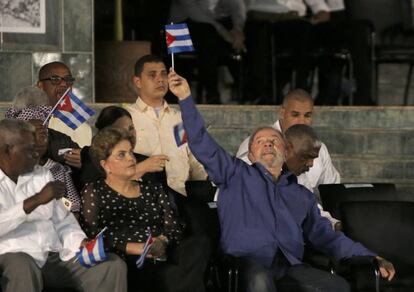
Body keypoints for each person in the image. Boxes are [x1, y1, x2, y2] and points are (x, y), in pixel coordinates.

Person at [167, 67, 395, 292]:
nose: (268, 144)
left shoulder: (301, 195)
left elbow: (327, 237)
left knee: (338, 286)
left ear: (285, 152)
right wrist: (186, 97)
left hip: (288, 266)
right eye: (260, 142)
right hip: (246, 264)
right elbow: (200, 142)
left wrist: (370, 255)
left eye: (274, 141)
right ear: (252, 155)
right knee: (259, 280)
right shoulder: (235, 174)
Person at [0, 119, 127, 292]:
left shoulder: (42, 175)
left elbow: (63, 221)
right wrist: (35, 201)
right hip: (13, 256)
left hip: (53, 255)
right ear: (7, 150)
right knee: (22, 266)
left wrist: (80, 243)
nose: (36, 154)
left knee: (111, 265)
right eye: (29, 150)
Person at [81, 126, 209, 292]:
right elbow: (91, 235)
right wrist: (134, 247)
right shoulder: (94, 191)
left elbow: (174, 226)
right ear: (106, 165)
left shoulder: (153, 189)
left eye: (131, 152)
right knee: (176, 278)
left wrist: (162, 241)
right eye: (122, 155)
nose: (132, 159)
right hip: (126, 258)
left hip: (162, 253)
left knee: (199, 243)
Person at [237, 90, 340, 227]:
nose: (302, 121)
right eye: (295, 115)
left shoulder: (318, 148)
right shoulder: (259, 145)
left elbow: (332, 190)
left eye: (307, 115)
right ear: (282, 113)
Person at [244, 0, 374, 105]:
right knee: (267, 32)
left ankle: (363, 96)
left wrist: (319, 16)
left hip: (298, 22)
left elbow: (320, 8)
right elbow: (243, 9)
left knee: (356, 30)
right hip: (264, 22)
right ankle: (271, 94)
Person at [127, 54, 207, 196]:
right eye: (152, 75)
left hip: (181, 196)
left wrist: (205, 185)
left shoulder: (180, 118)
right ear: (138, 82)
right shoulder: (127, 118)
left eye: (164, 74)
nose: (160, 80)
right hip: (141, 198)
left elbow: (194, 160)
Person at [5, 101, 81, 215]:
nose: (41, 138)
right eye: (33, 133)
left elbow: (74, 208)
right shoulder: (7, 172)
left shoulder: (57, 169)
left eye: (44, 132)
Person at [169, 0, 246, 104]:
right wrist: (223, 32)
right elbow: (195, 13)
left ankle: (248, 91)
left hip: (212, 30)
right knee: (207, 34)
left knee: (246, 34)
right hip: (178, 30)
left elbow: (236, 5)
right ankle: (212, 94)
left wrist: (237, 29)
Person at [78, 105, 169, 190]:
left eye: (131, 128)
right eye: (120, 130)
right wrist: (140, 168)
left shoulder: (150, 164)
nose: (129, 135)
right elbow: (96, 190)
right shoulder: (89, 157)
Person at [37, 61, 93, 146]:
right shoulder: (24, 120)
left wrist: (82, 158)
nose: (64, 84)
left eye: (68, 80)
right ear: (41, 86)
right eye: (55, 80)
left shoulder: (82, 129)